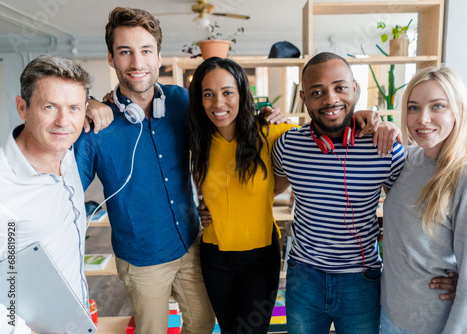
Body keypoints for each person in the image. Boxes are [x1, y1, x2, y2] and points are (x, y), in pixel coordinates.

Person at [271, 52, 457, 334]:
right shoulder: (287, 147)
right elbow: (265, 188)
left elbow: (417, 213)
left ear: (355, 89)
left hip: (362, 279)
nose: (331, 99)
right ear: (304, 97)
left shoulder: (384, 146)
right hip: (303, 277)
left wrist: (452, 269)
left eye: (340, 88)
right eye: (317, 91)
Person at [74, 7, 216, 333]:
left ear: (159, 55)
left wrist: (268, 119)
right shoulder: (95, 126)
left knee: (204, 325)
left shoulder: (183, 101)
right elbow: (64, 190)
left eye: (146, 50)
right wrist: (83, 103)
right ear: (111, 58)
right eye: (126, 52)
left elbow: (229, 128)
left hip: (191, 243)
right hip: (142, 259)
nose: (137, 63)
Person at [380, 66, 467, 334]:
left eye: (437, 107)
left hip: (435, 326)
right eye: (413, 108)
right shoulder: (405, 160)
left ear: (457, 111)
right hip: (387, 318)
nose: (423, 119)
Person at [187, 57, 296, 334]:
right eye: (208, 94)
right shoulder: (197, 138)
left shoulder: (270, 131)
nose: (218, 103)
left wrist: (366, 120)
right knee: (228, 331)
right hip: (215, 255)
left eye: (227, 92)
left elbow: (322, 136)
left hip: (260, 255)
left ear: (242, 93)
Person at [0, 55, 92, 334]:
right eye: (49, 106)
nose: (63, 121)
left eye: (74, 108)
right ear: (22, 107)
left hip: (78, 320)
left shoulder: (67, 154)